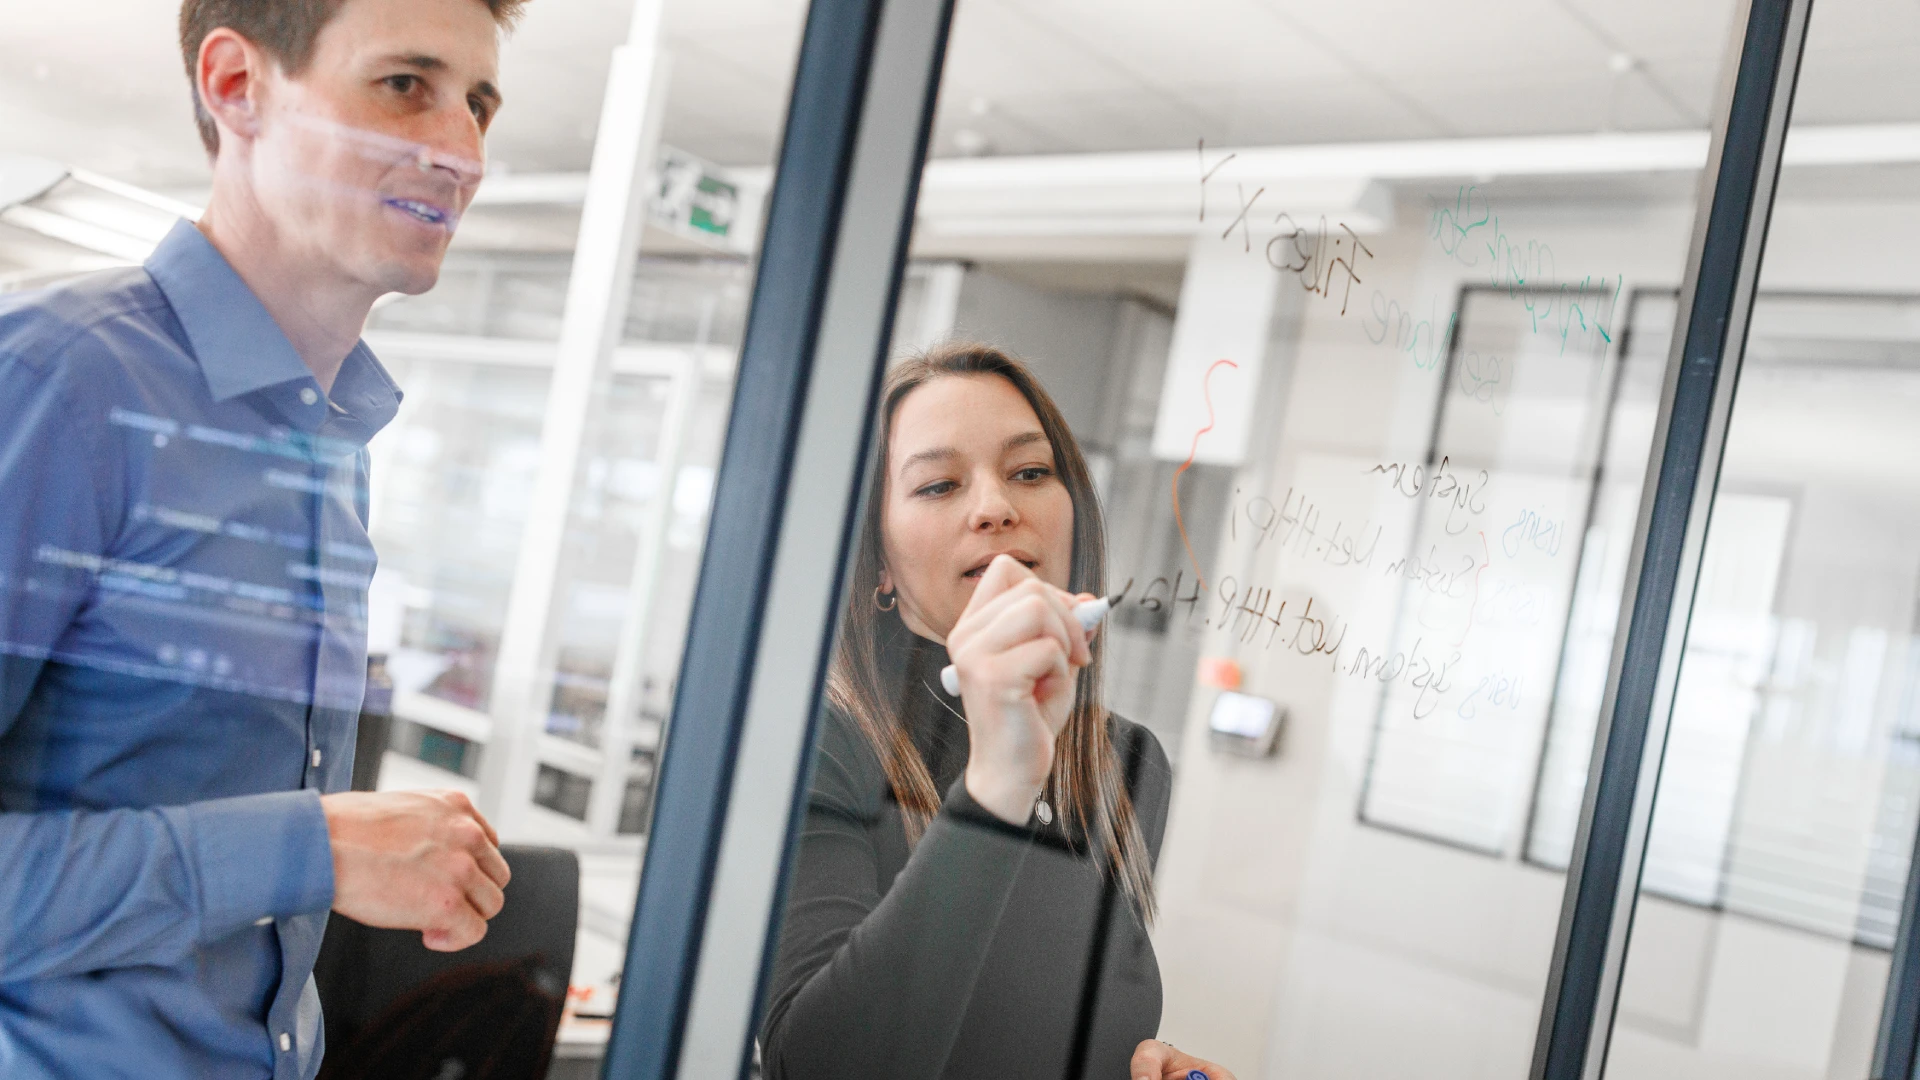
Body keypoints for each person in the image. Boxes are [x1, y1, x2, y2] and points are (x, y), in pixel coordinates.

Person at [0, 1, 526, 1076]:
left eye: (479, 104)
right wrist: (310, 847)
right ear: (236, 86)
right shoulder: (60, 382)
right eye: (405, 86)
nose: (463, 153)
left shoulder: (330, 442)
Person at [760, 343, 1236, 1080]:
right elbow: (821, 1066)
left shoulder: (1126, 762)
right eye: (938, 485)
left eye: (1030, 473)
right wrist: (999, 782)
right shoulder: (808, 743)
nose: (996, 508)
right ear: (879, 563)